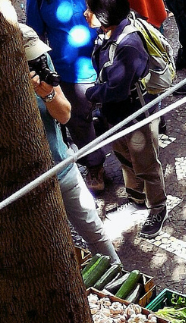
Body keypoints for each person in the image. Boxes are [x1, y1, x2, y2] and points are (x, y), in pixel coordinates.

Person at [18, 23, 122, 264]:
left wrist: (48, 94)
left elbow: (64, 115)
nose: (37, 61)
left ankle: (119, 275)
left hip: (62, 166)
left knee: (94, 231)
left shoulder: (40, 62)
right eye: (28, 59)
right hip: (28, 184)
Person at [27, 0, 114, 191]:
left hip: (106, 64)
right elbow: (34, 37)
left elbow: (114, 13)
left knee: (116, 111)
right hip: (70, 74)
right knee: (79, 122)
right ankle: (94, 165)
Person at [85, 0, 168, 237]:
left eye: (90, 10)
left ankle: (158, 208)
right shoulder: (107, 33)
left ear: (105, 14)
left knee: (145, 164)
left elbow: (117, 89)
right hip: (117, 115)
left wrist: (91, 94)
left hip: (135, 116)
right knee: (124, 157)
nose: (85, 14)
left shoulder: (128, 45)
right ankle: (136, 198)